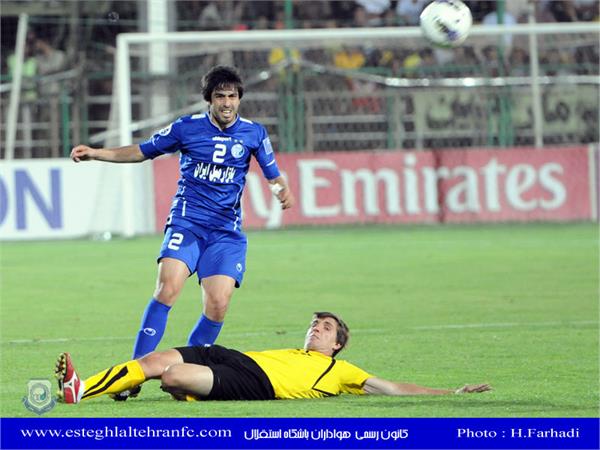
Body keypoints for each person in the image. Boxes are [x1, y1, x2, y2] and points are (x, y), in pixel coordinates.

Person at [70, 65, 295, 399]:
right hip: (187, 223)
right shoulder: (187, 128)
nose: (227, 103)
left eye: (232, 96)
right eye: (220, 96)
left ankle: (191, 370)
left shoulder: (254, 133)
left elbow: (273, 174)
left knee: (218, 305)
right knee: (167, 289)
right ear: (209, 99)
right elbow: (142, 151)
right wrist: (97, 153)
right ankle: (132, 373)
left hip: (225, 233)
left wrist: (281, 190)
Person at [55, 312, 491, 403]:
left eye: (325, 328)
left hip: (257, 385)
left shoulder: (342, 372)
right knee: (155, 359)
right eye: (315, 324)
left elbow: (393, 388)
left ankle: (182, 388)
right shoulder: (292, 349)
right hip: (238, 359)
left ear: (337, 344)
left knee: (170, 376)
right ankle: (81, 389)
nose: (315, 329)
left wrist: (452, 390)